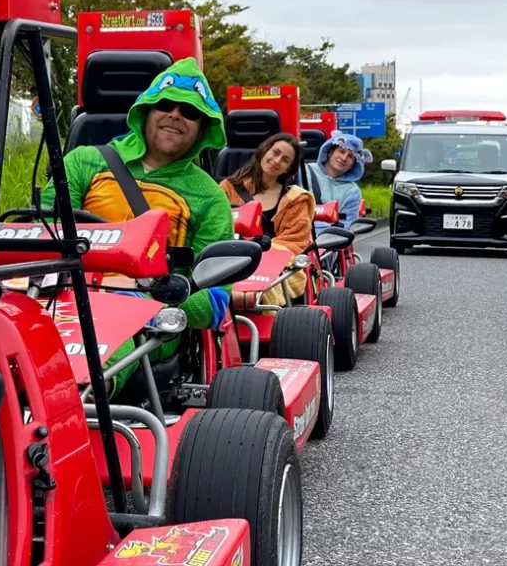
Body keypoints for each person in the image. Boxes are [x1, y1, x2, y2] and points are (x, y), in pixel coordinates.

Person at [41, 59, 234, 397]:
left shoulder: (210, 197)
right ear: (146, 110)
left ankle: (74, 399)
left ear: (203, 127)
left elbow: (216, 299)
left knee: (110, 336)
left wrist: (147, 300)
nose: (175, 115)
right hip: (61, 296)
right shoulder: (83, 161)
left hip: (147, 319)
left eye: (189, 111)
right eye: (165, 104)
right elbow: (40, 234)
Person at [220, 133, 315, 305]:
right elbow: (214, 228)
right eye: (275, 152)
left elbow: (295, 241)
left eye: (285, 160)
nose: (277, 161)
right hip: (229, 257)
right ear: (264, 151)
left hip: (275, 263)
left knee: (266, 288)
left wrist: (260, 253)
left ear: (288, 169)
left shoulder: (296, 199)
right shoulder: (227, 189)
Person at [307, 130, 373, 232]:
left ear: (353, 165)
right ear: (330, 152)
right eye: (341, 151)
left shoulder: (352, 191)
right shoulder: (304, 171)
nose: (343, 158)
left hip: (329, 240)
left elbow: (347, 227)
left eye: (350, 156)